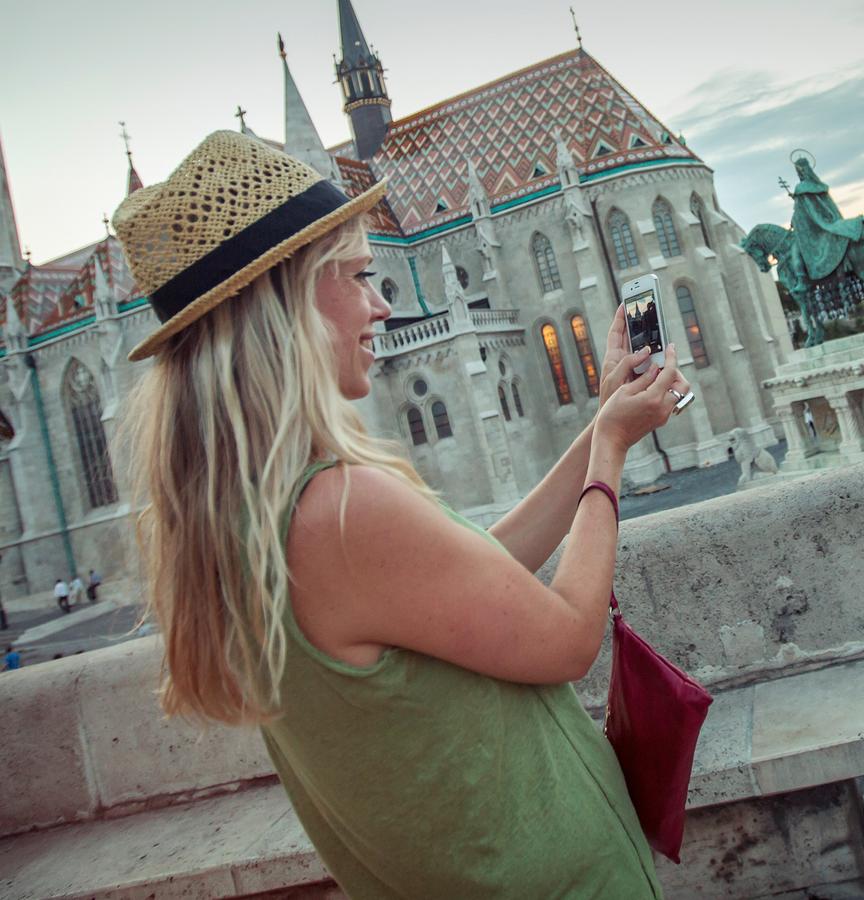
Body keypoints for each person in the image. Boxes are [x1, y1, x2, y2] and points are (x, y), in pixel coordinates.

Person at [114, 131, 686, 897]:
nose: (383, 305)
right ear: (285, 304)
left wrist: (600, 420)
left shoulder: (251, 512)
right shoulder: (340, 509)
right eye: (357, 276)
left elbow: (467, 572)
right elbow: (568, 639)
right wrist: (613, 452)